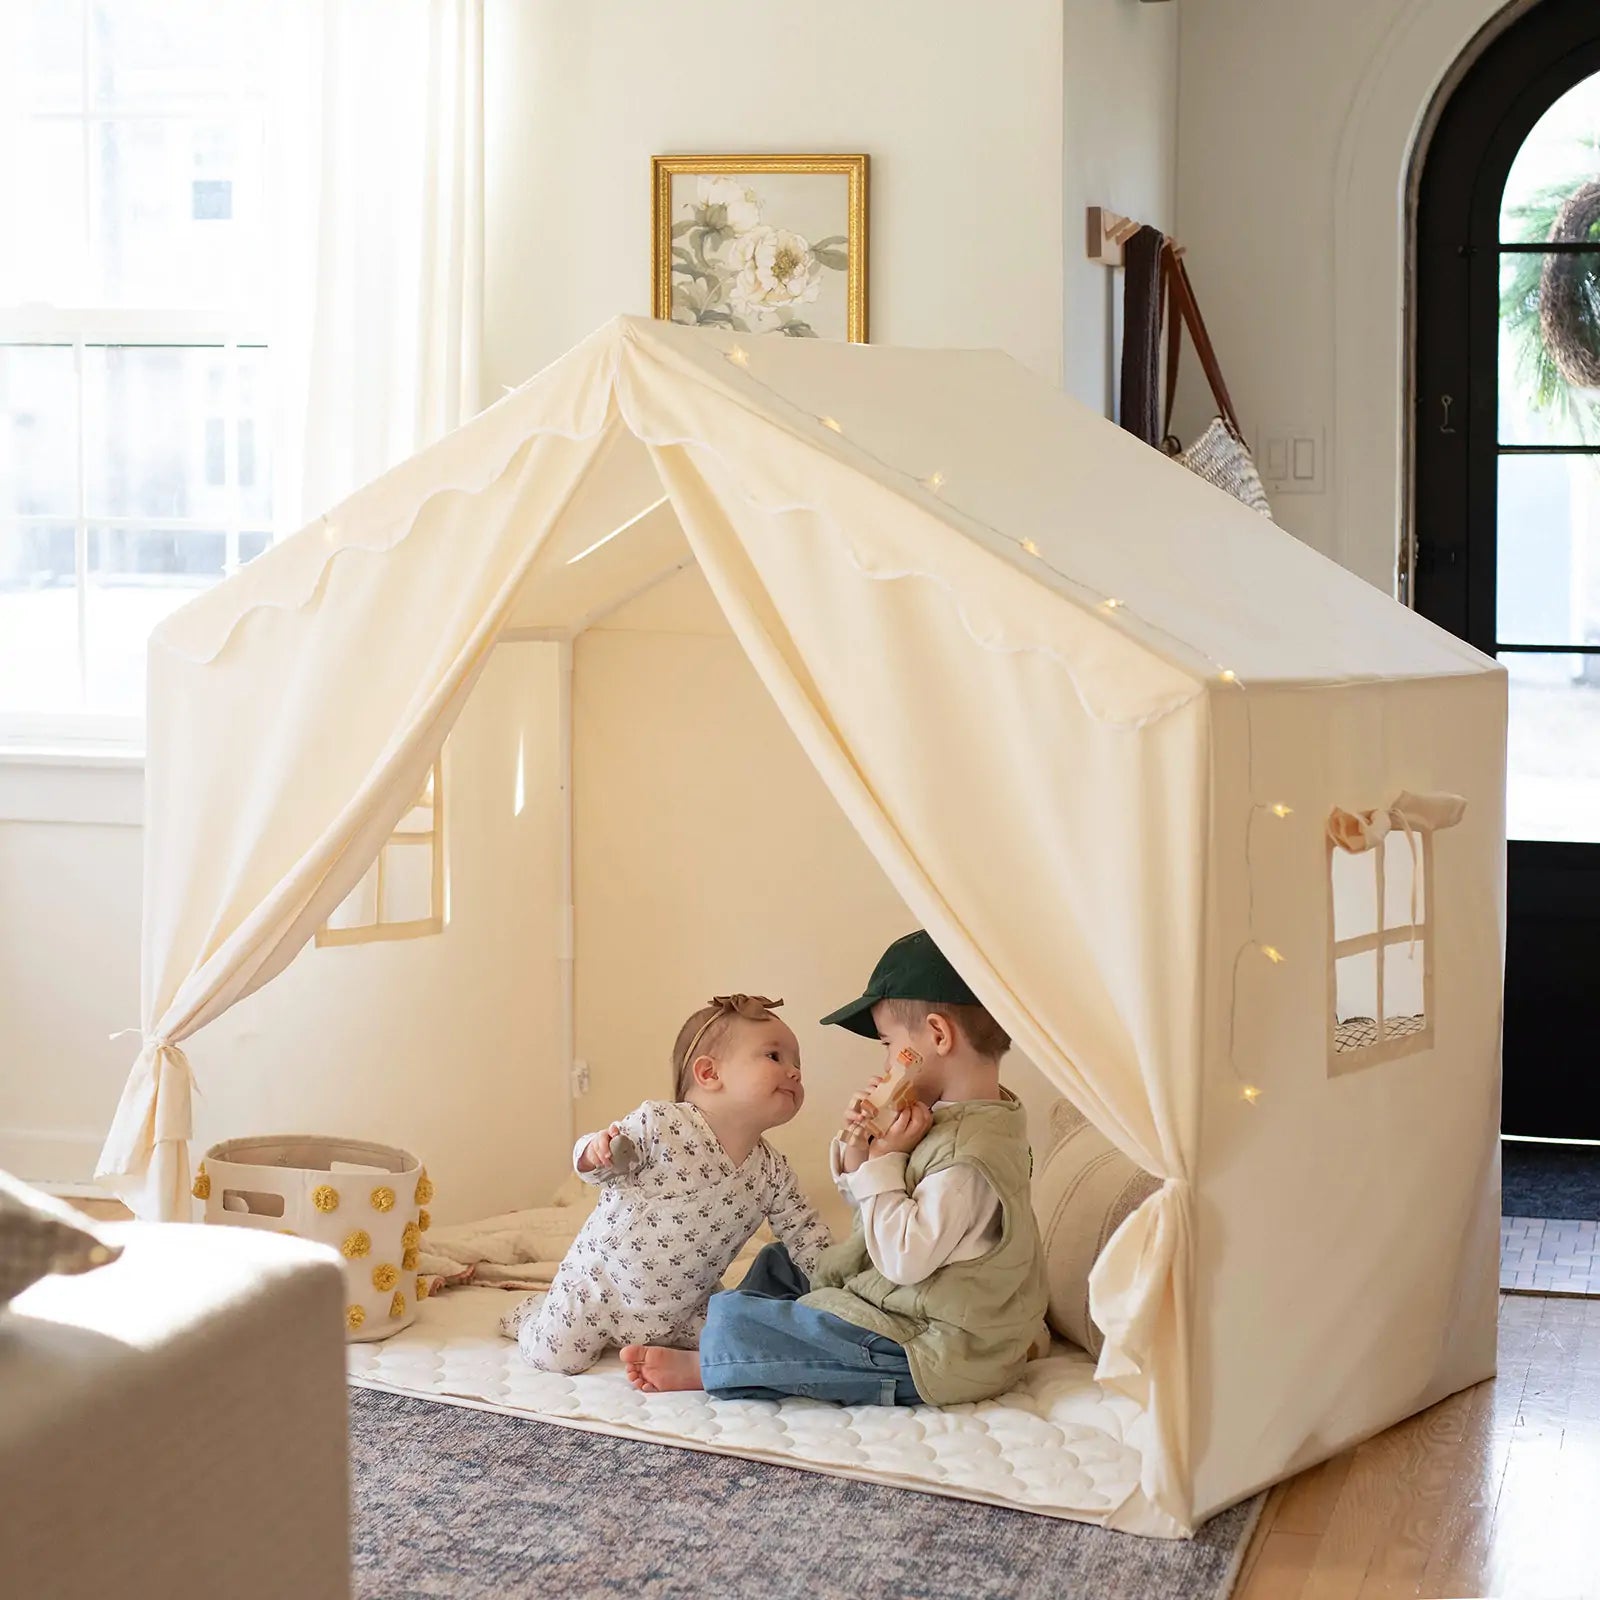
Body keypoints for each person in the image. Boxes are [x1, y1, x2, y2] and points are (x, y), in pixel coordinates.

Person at [622, 930, 1047, 1409]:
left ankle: (717, 1359)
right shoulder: (951, 1117)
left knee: (742, 1319)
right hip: (911, 1298)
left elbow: (904, 1259)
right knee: (781, 1263)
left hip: (935, 1347)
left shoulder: (971, 1158)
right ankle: (748, 1333)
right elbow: (875, 1212)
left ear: (938, 1036)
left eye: (889, 1044)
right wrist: (862, 1149)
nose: (886, 1062)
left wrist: (886, 1160)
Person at [515, 993, 831, 1374]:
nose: (795, 1072)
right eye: (775, 1057)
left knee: (734, 1339)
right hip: (601, 1291)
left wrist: (842, 1289)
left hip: (684, 1308)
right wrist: (595, 1152)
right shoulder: (660, 1124)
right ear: (709, 1074)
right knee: (555, 1359)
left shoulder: (773, 1173)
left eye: (798, 1064)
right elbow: (600, 1164)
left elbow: (808, 1239)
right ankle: (530, 1314)